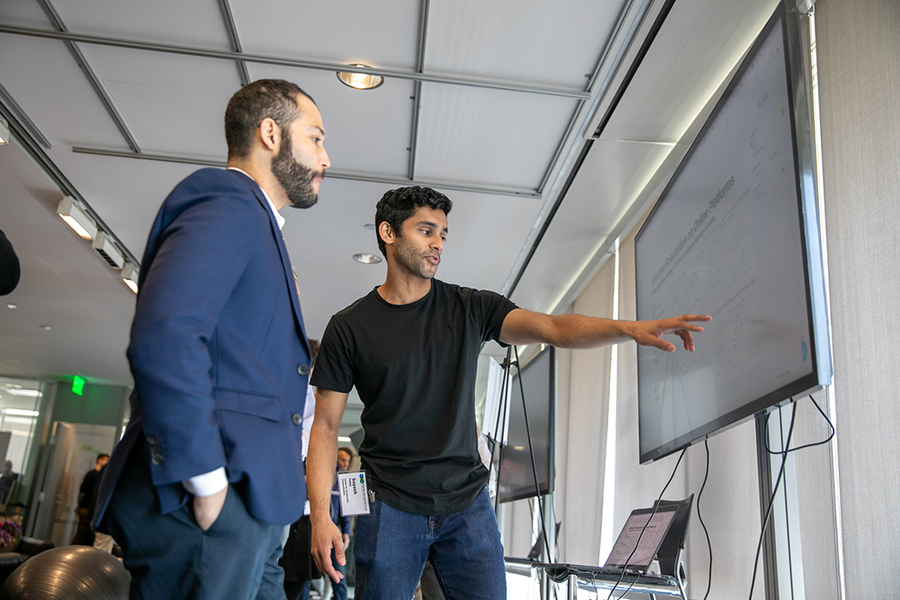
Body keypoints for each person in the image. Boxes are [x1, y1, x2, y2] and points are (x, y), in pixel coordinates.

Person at [306, 186, 710, 600]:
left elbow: (552, 327)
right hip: (390, 506)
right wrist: (321, 513)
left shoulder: (469, 308)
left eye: (443, 234)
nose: (437, 244)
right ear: (388, 233)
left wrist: (628, 329)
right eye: (426, 231)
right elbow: (325, 425)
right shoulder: (349, 327)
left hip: (466, 506)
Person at [93, 79, 330, 600]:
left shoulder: (257, 222)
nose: (325, 158)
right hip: (210, 499)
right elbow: (167, 333)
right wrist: (205, 479)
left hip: (256, 507)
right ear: (271, 133)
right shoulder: (227, 199)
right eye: (315, 138)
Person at [72, 453, 109, 545]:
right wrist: (80, 506)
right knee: (81, 534)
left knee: (90, 537)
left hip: (95, 510)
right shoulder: (92, 474)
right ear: (99, 460)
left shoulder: (104, 477)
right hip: (86, 508)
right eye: (105, 460)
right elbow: (82, 491)